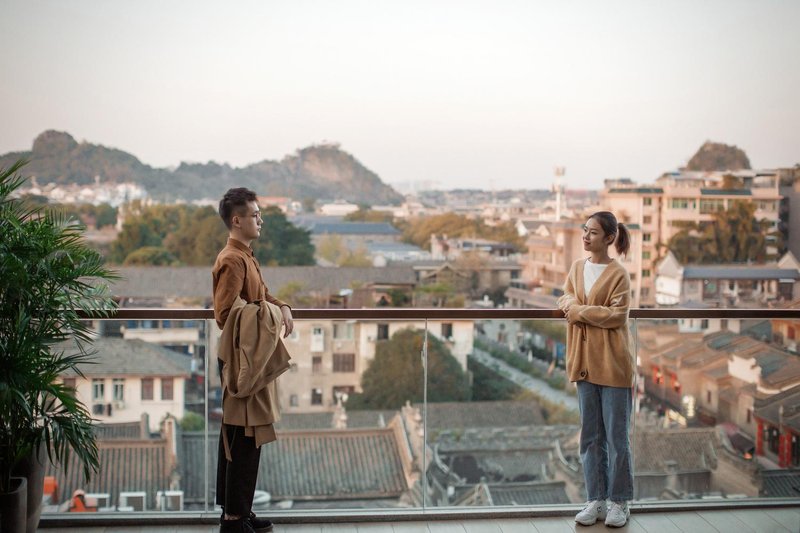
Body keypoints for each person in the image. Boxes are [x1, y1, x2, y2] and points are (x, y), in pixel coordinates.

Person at [212, 187, 294, 533]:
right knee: (240, 439)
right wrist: (267, 312)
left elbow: (261, 295)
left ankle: (239, 512)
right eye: (255, 215)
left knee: (248, 436)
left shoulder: (245, 256)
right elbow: (225, 314)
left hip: (249, 358)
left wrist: (282, 306)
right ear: (237, 220)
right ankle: (233, 520)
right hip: (240, 361)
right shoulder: (232, 260)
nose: (260, 220)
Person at [557, 211, 634, 528]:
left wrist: (577, 311)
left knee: (617, 438)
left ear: (609, 238)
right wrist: (573, 306)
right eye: (584, 230)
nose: (585, 236)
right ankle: (596, 499)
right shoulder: (577, 267)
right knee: (590, 437)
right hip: (584, 365)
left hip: (614, 364)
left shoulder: (619, 275)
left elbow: (617, 316)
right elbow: (566, 297)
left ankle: (619, 502)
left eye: (592, 232)